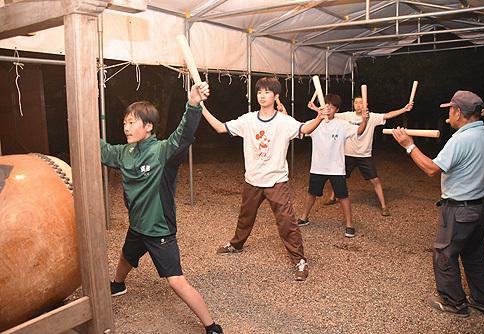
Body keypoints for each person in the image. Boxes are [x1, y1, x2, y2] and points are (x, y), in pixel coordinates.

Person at [100, 82, 224, 334]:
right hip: (137, 226)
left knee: (176, 281)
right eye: (125, 122)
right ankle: (118, 284)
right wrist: (82, 124)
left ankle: (212, 326)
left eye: (132, 122)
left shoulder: (162, 152)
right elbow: (103, 150)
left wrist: (192, 105)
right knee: (126, 255)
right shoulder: (124, 152)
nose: (126, 127)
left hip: (159, 230)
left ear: (148, 126)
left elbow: (184, 135)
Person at [201, 77, 326, 281]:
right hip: (252, 179)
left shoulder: (284, 121)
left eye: (267, 92)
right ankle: (236, 244)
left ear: (276, 96)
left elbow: (304, 129)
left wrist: (320, 118)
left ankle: (299, 260)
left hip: (276, 180)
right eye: (260, 92)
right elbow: (220, 127)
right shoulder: (248, 120)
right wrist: (201, 107)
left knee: (286, 221)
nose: (262, 95)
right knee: (245, 215)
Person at [392, 90, 484, 317]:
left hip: (461, 209)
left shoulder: (460, 139)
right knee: (474, 253)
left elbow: (431, 168)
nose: (449, 113)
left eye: (450, 109)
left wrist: (409, 145)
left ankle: (454, 303)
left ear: (458, 112)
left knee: (445, 253)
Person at [297, 94, 368, 238]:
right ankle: (304, 217)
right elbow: (301, 129)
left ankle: (349, 224)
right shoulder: (315, 123)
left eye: (332, 106)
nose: (329, 108)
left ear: (337, 109)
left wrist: (365, 120)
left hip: (336, 168)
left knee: (343, 196)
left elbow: (359, 131)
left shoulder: (342, 124)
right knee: (312, 193)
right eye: (326, 105)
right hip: (318, 167)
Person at [329, 96, 413, 216]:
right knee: (339, 176)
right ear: (353, 104)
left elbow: (388, 115)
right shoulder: (347, 116)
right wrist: (317, 108)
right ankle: (332, 197)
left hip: (364, 155)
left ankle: (384, 206)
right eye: (356, 103)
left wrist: (404, 109)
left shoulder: (372, 117)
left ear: (366, 105)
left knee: (375, 180)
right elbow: (330, 113)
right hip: (348, 153)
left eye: (361, 103)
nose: (358, 105)